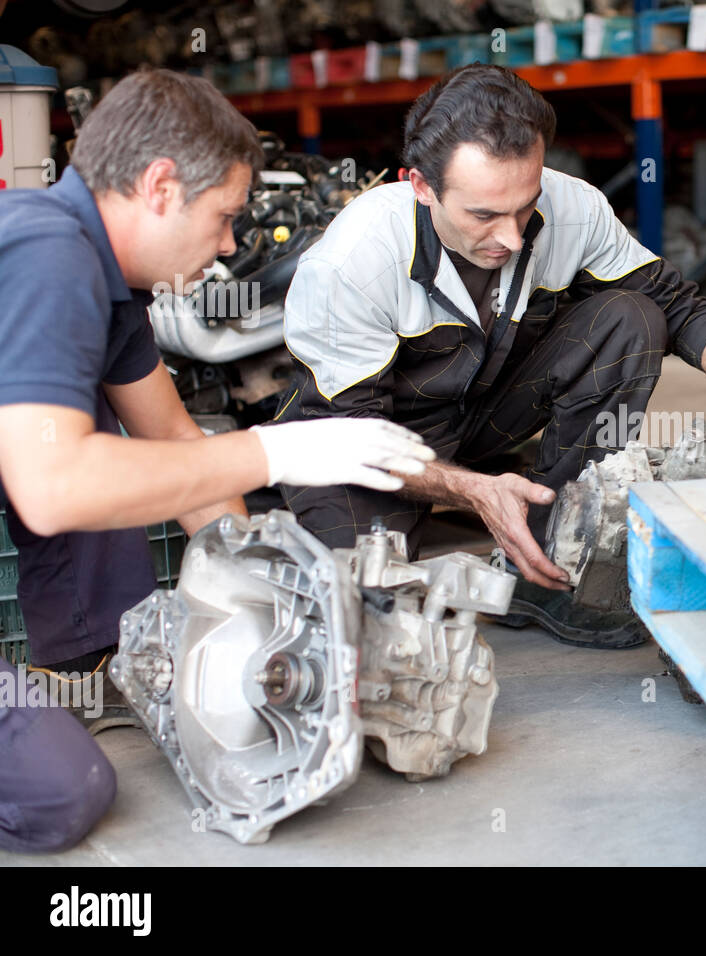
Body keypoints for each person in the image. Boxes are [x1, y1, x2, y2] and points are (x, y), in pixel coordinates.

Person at [0, 69, 433, 854]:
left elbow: (178, 447)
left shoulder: (108, 286)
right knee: (64, 794)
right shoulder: (46, 252)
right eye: (225, 216)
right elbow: (51, 489)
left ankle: (87, 656)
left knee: (88, 419)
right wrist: (275, 446)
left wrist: (280, 615)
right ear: (161, 185)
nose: (232, 243)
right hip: (43, 485)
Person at [275, 63, 706, 647]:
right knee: (361, 615)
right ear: (420, 186)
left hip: (479, 414)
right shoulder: (354, 262)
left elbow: (677, 306)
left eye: (524, 205)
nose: (513, 238)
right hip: (359, 442)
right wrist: (475, 491)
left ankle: (558, 560)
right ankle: (453, 529)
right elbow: (354, 435)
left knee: (631, 317)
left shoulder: (574, 207)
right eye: (483, 215)